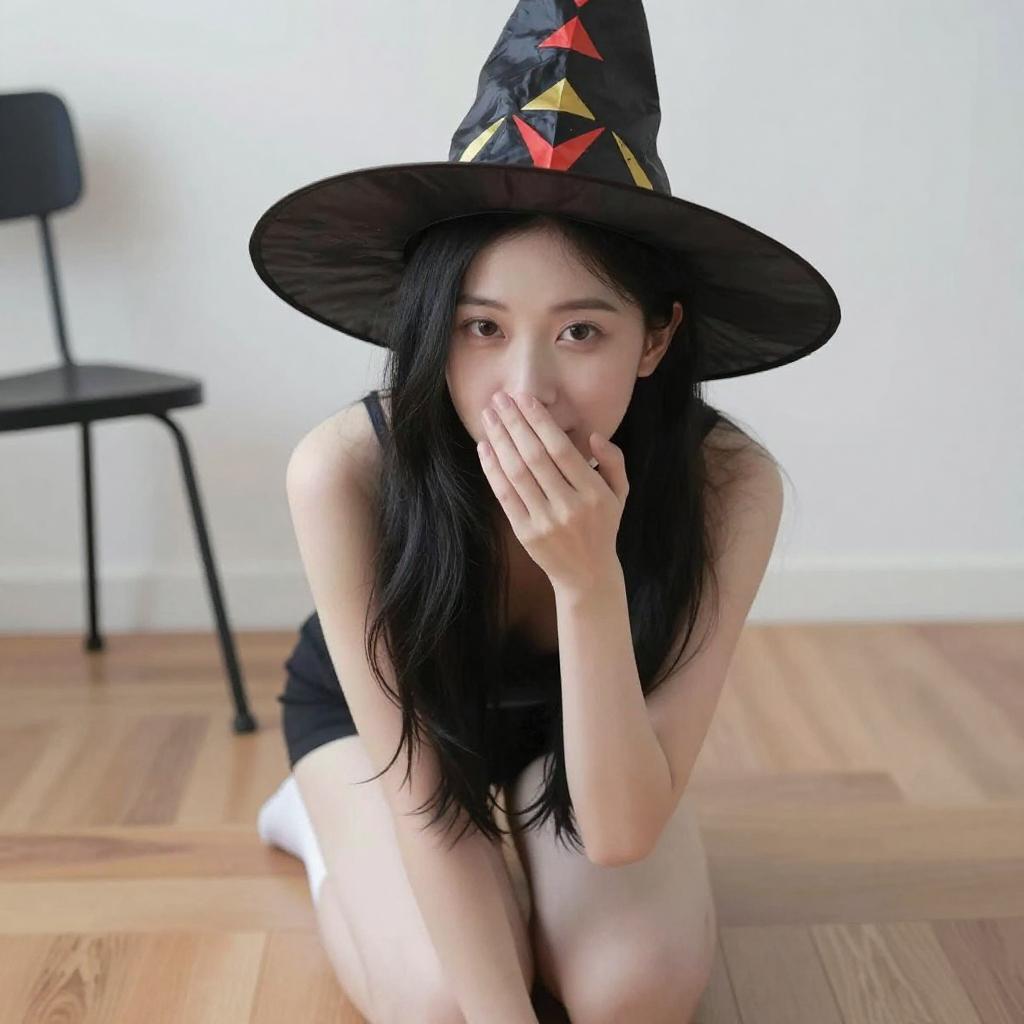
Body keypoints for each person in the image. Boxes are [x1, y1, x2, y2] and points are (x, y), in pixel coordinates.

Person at [252, 3, 841, 1022]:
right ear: (431, 325)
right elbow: (426, 807)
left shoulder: (728, 483)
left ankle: (531, 841)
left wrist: (586, 578)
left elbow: (618, 832)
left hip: (592, 729)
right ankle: (321, 821)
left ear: (655, 340)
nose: (523, 389)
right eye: (481, 327)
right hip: (390, 736)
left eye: (579, 332)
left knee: (633, 992)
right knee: (441, 1001)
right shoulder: (343, 471)